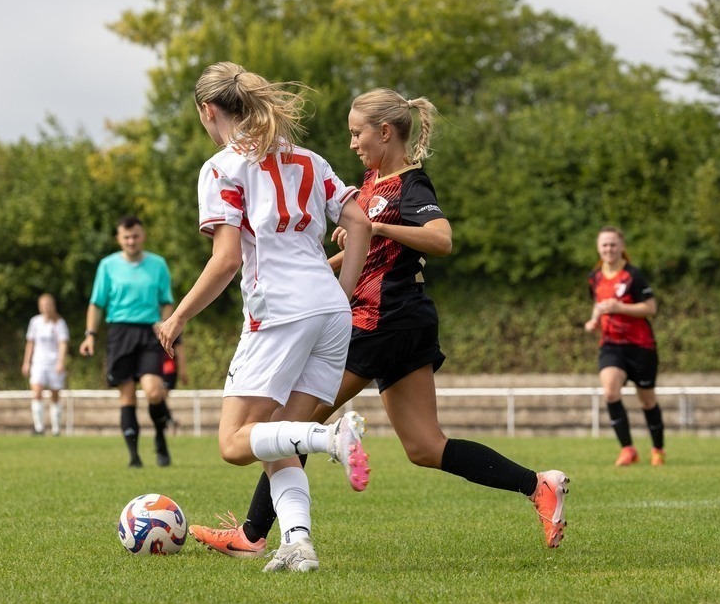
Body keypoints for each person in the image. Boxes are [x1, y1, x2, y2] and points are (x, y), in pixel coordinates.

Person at [186, 87, 570, 561]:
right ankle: (538, 485)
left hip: (380, 319)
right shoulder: (370, 183)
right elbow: (366, 250)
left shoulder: (410, 184)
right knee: (426, 447)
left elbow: (441, 238)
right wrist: (324, 269)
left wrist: (381, 226)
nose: (352, 143)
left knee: (292, 423)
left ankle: (253, 535)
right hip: (403, 322)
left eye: (357, 133)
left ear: (384, 132)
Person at [156, 61, 374, 573]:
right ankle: (298, 544)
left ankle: (332, 438)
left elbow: (227, 259)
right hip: (328, 310)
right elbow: (361, 221)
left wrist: (177, 318)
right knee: (279, 435)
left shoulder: (222, 167)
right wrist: (339, 294)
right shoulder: (310, 160)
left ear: (208, 111)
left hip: (279, 311)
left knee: (234, 443)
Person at [79, 215, 176, 468]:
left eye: (135, 236)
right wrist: (90, 335)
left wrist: (165, 324)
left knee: (154, 392)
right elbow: (96, 303)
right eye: (126, 237)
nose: (131, 241)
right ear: (119, 239)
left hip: (149, 333)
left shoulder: (158, 264)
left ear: (142, 236)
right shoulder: (108, 266)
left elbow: (167, 301)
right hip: (119, 332)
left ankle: (160, 437)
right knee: (127, 395)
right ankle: (134, 457)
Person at [584, 226, 665, 466]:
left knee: (647, 400)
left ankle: (658, 449)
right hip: (611, 345)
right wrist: (594, 321)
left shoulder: (633, 276)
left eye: (613, 244)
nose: (608, 249)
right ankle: (628, 449)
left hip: (640, 346)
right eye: (604, 245)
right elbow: (599, 304)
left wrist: (620, 308)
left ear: (622, 247)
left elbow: (651, 308)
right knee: (610, 391)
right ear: (599, 248)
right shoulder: (595, 277)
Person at [21, 293, 70, 436]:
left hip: (54, 362)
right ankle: (39, 428)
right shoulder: (35, 322)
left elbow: (63, 344)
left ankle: (56, 429)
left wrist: (61, 362)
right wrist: (26, 362)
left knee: (55, 395)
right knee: (36, 393)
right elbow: (30, 343)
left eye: (48, 304)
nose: (46, 308)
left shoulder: (59, 323)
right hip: (39, 363)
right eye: (43, 305)